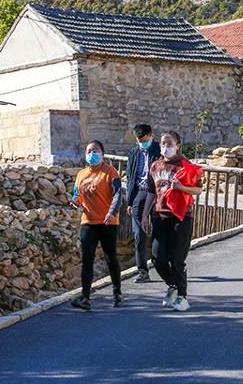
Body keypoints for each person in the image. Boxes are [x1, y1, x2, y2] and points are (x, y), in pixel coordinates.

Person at [140, 131, 202, 312]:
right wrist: (144, 215)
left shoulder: (185, 165)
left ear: (178, 145)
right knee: (158, 258)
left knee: (177, 259)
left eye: (169, 144)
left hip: (181, 217)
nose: (165, 147)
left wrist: (182, 187)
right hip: (160, 216)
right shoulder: (155, 166)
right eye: (163, 144)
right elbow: (151, 192)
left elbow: (198, 190)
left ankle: (182, 296)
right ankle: (172, 285)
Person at [69, 140, 124, 310]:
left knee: (110, 257)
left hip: (108, 222)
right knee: (87, 260)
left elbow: (117, 195)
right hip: (88, 222)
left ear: (102, 153)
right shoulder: (81, 175)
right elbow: (77, 195)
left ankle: (117, 294)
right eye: (89, 151)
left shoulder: (110, 172)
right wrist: (75, 202)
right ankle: (85, 297)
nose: (92, 154)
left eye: (95, 150)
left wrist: (111, 212)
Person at [126, 124, 161, 283]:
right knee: (138, 234)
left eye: (145, 140)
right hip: (140, 194)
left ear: (151, 136)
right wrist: (130, 200)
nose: (142, 143)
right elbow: (130, 176)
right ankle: (142, 271)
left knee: (159, 232)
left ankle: (162, 264)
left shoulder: (160, 151)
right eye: (140, 141)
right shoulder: (134, 153)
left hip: (159, 195)